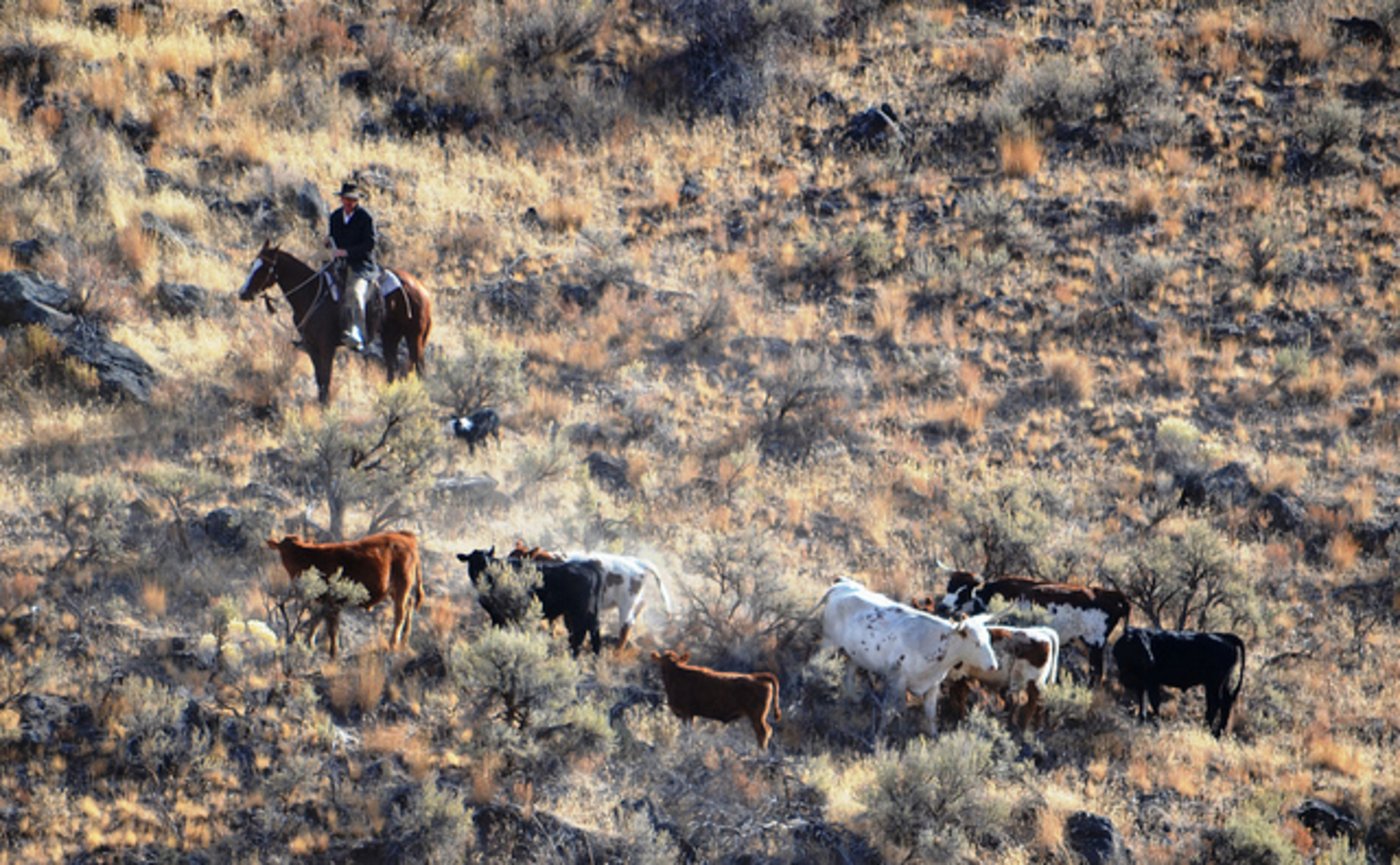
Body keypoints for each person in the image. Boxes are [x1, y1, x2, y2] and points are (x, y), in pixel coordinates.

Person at [326, 181, 378, 351]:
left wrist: (347, 252)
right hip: (338, 264)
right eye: (346, 199)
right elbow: (333, 238)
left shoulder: (365, 218)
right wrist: (329, 243)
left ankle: (359, 333)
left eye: (352, 200)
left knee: (355, 293)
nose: (349, 203)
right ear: (341, 199)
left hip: (361, 265)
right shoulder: (335, 217)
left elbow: (370, 244)